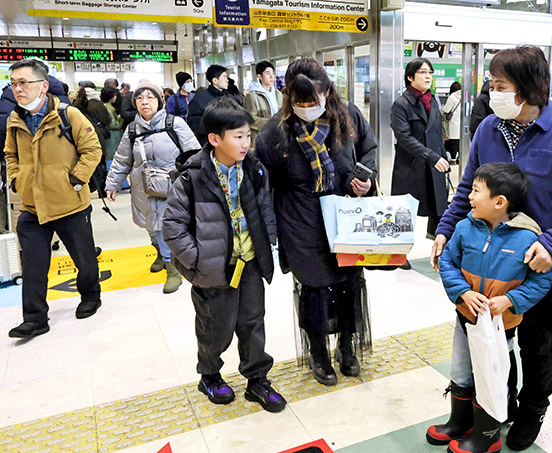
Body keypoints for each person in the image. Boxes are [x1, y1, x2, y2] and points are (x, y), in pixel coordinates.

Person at [430, 45, 552, 452]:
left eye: (500, 85)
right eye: (491, 83)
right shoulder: (488, 128)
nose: (492, 91)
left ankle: (532, 409)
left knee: (535, 341)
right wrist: (445, 231)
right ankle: (493, 405)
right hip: (489, 258)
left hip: (540, 261)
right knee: (489, 339)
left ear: (526, 88)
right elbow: (469, 187)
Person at [255, 58, 377, 387]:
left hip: (346, 215)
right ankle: (319, 352)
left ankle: (347, 347)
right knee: (315, 290)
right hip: (300, 220)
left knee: (349, 283)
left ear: (326, 91)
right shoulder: (274, 132)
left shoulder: (348, 116)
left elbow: (369, 150)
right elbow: (263, 184)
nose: (308, 107)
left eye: (314, 99)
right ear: (289, 98)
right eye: (300, 102)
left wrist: (365, 179)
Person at [162, 98, 286, 413]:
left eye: (248, 135)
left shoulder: (255, 169)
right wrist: (197, 260)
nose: (246, 143)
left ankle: (257, 379)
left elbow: (266, 210)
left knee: (253, 324)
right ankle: (210, 375)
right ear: (215, 139)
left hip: (250, 265)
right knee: (214, 328)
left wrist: (267, 242)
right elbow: (173, 226)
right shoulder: (192, 177)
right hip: (213, 269)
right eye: (238, 136)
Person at [427, 162, 552, 453]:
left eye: (475, 191)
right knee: (460, 369)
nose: (469, 197)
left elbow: (541, 280)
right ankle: (460, 421)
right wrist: (463, 292)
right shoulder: (464, 228)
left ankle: (487, 437)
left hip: (501, 326)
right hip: (466, 317)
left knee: (492, 375)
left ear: (499, 202)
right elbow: (447, 263)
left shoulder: (526, 238)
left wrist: (510, 300)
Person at [4, 58, 103, 338]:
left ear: (43, 85)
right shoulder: (15, 120)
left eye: (24, 82)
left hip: (70, 202)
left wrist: (75, 179)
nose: (17, 89)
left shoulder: (68, 115)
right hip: (33, 206)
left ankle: (91, 296)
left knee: (84, 258)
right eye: (13, 84)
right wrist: (16, 179)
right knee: (34, 264)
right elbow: (10, 154)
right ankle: (35, 318)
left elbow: (92, 149)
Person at [105, 82, 200, 293]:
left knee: (166, 228)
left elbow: (194, 154)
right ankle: (158, 253)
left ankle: (173, 269)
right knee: (149, 226)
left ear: (159, 101)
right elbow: (122, 160)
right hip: (142, 189)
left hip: (170, 189)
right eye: (139, 98)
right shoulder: (131, 130)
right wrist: (112, 183)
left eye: (150, 97)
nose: (144, 102)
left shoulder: (174, 124)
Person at [1, 72, 70, 232]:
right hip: (60, 178)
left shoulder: (9, 101)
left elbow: (7, 149)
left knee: (25, 216)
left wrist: (15, 178)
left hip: (27, 175)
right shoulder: (62, 102)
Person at [391, 57, 449, 240]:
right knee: (405, 214)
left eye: (430, 72)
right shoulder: (401, 104)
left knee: (439, 209)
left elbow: (438, 134)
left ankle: (438, 249)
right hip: (411, 167)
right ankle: (399, 254)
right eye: (423, 72)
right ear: (410, 77)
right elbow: (403, 137)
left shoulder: (433, 101)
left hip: (435, 165)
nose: (428, 76)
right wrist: (431, 156)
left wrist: (443, 158)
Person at [244, 60, 284, 149]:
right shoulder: (252, 96)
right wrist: (271, 123)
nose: (271, 76)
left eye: (273, 73)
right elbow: (249, 118)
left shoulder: (278, 94)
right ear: (259, 76)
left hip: (278, 136)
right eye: (267, 73)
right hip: (261, 137)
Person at [188, 64, 230, 145]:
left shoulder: (229, 97)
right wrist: (214, 123)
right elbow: (192, 122)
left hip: (227, 143)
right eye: (224, 77)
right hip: (208, 144)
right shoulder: (199, 99)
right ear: (215, 80)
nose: (227, 80)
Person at [100, 86, 123, 163]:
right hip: (112, 137)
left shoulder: (103, 106)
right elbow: (114, 125)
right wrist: (122, 117)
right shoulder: (109, 108)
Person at [442, 81, 462, 163]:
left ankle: (453, 159)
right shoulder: (464, 96)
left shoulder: (452, 97)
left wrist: (442, 108)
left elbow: (446, 110)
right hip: (462, 123)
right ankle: (459, 158)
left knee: (452, 142)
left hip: (453, 123)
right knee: (459, 142)